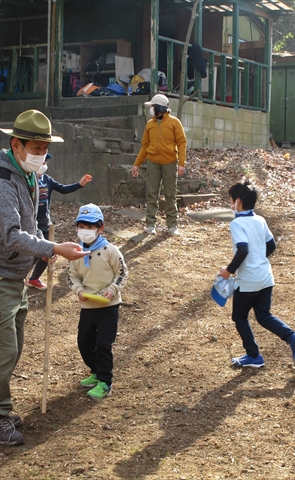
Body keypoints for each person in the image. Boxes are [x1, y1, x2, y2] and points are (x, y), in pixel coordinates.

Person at [0, 110, 90, 446]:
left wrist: (45, 250)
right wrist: (53, 247)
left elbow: (30, 224)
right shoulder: (0, 182)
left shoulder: (28, 176)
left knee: (11, 348)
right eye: (35, 148)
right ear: (15, 145)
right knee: (2, 351)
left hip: (11, 278)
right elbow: (11, 234)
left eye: (45, 148)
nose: (41, 155)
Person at [218, 179, 295, 368]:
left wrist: (228, 271)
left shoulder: (237, 224)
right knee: (264, 315)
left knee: (240, 317)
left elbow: (242, 250)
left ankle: (254, 356)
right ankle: (293, 338)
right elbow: (271, 244)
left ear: (238, 201)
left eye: (231, 200)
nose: (231, 204)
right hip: (266, 278)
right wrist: (259, 259)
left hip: (248, 281)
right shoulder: (260, 219)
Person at [67, 204, 129, 400]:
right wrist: (79, 291)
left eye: (90, 226)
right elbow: (71, 276)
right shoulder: (75, 253)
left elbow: (122, 273)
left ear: (100, 228)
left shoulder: (110, 250)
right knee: (84, 342)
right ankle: (95, 370)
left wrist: (112, 289)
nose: (85, 231)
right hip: (88, 305)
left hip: (108, 307)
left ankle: (105, 381)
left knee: (103, 344)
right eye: (81, 226)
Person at [26, 154, 93, 290]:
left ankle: (34, 279)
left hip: (45, 223)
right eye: (42, 162)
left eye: (45, 162)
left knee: (48, 253)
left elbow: (63, 189)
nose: (44, 165)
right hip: (30, 222)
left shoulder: (47, 180)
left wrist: (79, 185)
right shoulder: (27, 180)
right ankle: (21, 275)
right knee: (33, 251)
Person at [131, 94, 187, 236]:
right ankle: (150, 224)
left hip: (170, 163)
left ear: (160, 108)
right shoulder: (150, 125)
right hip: (153, 163)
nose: (151, 109)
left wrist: (182, 163)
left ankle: (172, 225)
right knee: (152, 193)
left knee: (170, 194)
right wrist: (137, 164)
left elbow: (182, 143)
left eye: (153, 106)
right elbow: (145, 146)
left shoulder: (175, 123)